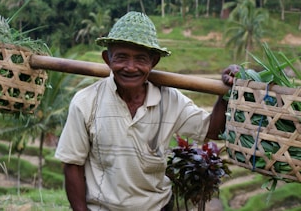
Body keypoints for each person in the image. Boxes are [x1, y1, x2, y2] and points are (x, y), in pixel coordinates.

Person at [55, 11, 239, 211]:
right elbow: (72, 165)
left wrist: (224, 94)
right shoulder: (86, 102)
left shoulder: (170, 99)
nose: (130, 67)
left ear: (154, 62)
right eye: (121, 57)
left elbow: (211, 131)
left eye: (141, 59)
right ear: (107, 59)